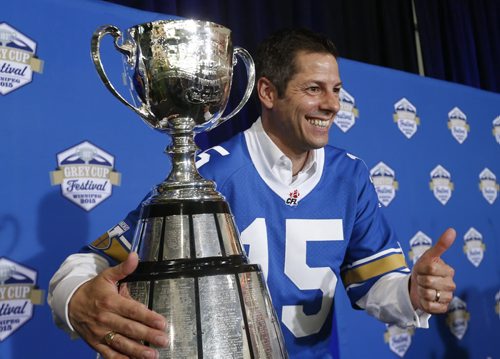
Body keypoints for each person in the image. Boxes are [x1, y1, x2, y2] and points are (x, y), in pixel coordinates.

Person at [48, 28, 456, 359]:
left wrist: (411, 292)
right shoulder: (211, 176)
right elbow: (94, 261)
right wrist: (76, 299)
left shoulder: (350, 175)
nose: (332, 105)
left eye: (336, 89)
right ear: (267, 93)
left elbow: (375, 282)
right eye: (314, 89)